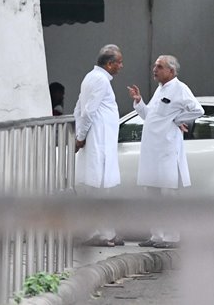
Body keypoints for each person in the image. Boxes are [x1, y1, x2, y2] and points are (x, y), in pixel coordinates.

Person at [127, 55, 203, 249]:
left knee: (168, 194)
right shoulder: (160, 90)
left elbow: (198, 110)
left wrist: (178, 119)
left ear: (171, 71)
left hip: (167, 151)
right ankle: (157, 235)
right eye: (155, 66)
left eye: (159, 66)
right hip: (151, 150)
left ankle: (172, 237)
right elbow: (149, 116)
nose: (155, 69)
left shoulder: (180, 88)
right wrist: (139, 102)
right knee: (152, 194)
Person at [73, 44, 124, 247]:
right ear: (109, 64)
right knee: (98, 191)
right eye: (119, 62)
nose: (121, 66)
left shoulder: (92, 78)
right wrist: (80, 136)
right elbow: (87, 111)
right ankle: (95, 233)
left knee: (100, 191)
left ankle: (106, 232)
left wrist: (80, 133)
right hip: (98, 142)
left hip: (99, 142)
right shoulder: (100, 80)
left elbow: (79, 108)